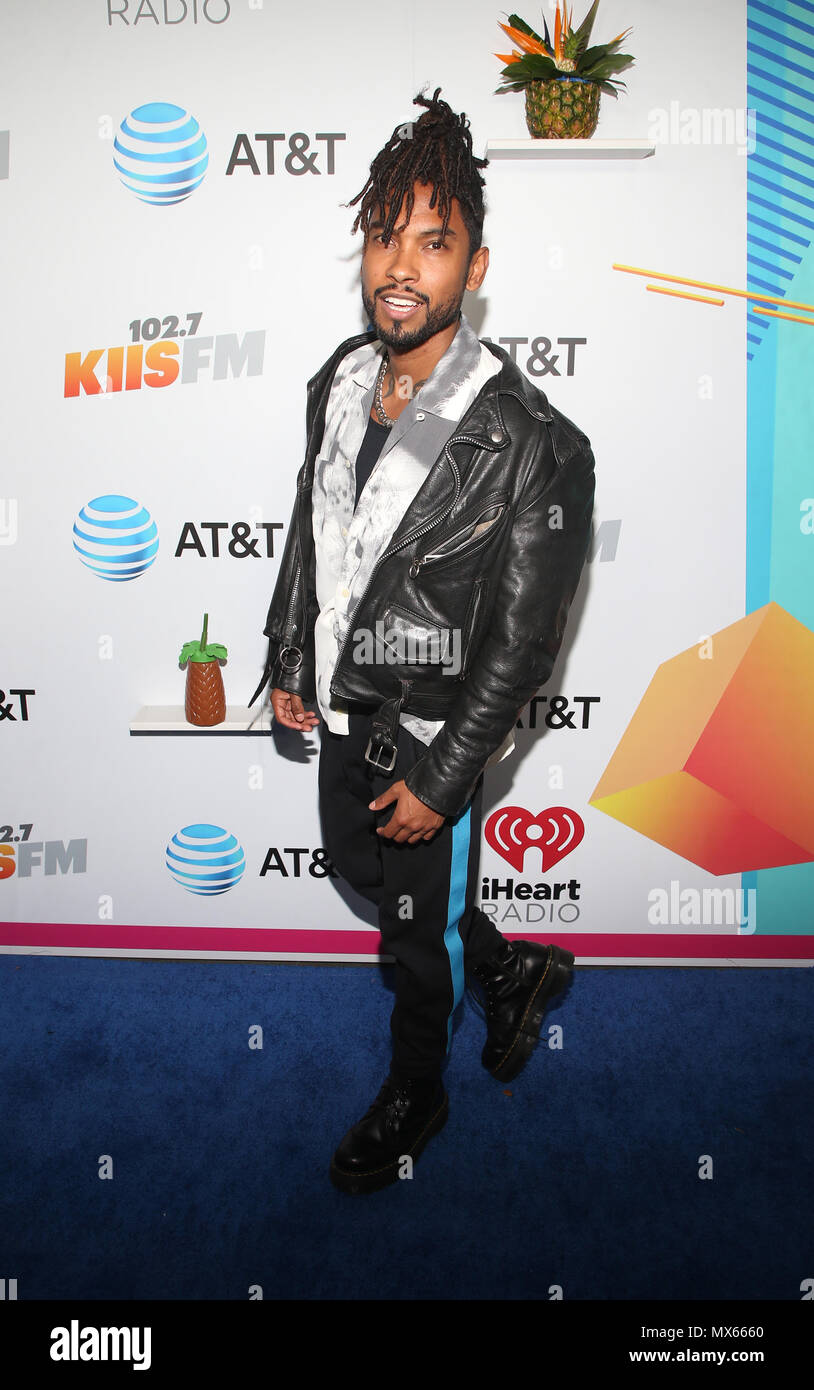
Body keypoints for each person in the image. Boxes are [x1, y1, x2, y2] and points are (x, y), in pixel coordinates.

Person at [250, 87, 595, 1195]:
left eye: (432, 243)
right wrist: (293, 660)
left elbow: (521, 649)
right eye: (384, 236)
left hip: (430, 732)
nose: (402, 266)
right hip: (348, 702)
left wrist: (448, 783)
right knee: (365, 874)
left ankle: (419, 1089)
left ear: (474, 267)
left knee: (411, 934)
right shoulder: (343, 378)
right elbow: (319, 531)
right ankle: (516, 971)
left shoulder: (535, 442)